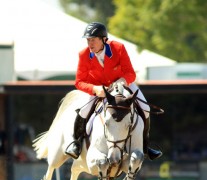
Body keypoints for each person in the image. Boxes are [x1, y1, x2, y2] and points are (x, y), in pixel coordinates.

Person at [65, 22, 162, 160]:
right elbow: (79, 82)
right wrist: (94, 89)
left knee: (145, 108)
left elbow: (130, 73)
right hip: (98, 88)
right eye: (88, 40)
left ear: (104, 39)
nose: (90, 43)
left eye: (93, 40)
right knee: (83, 111)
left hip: (121, 84)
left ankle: (146, 145)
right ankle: (76, 144)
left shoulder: (118, 48)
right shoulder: (84, 54)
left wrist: (122, 81)